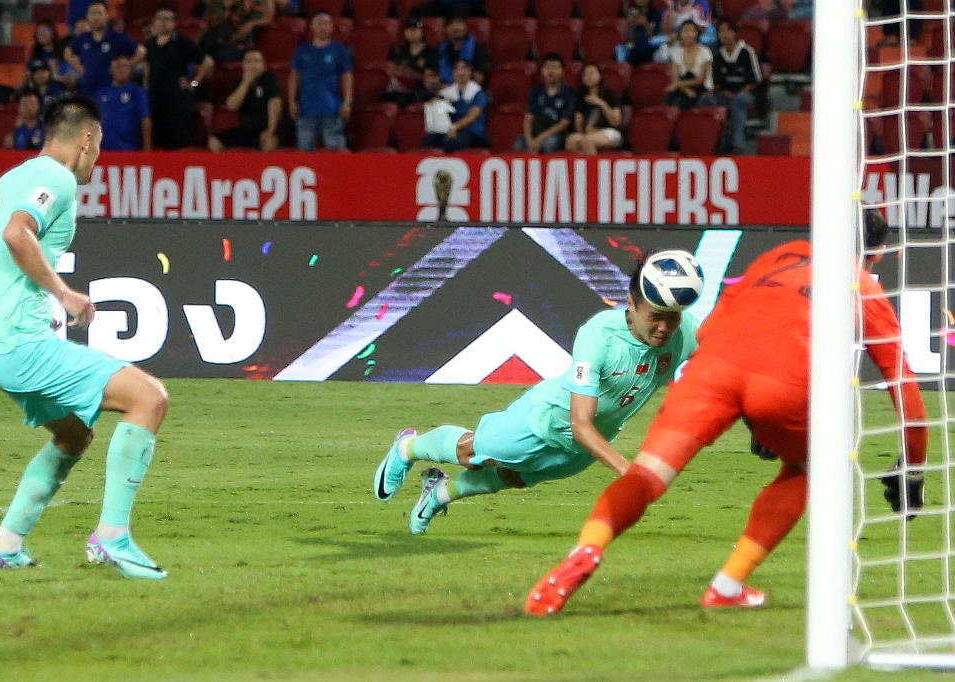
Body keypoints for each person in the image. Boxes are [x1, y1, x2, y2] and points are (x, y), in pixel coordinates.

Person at [524, 209, 928, 616]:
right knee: (806, 469)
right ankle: (727, 585)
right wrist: (912, 467)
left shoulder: (782, 254)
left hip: (711, 370)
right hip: (782, 383)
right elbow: (904, 385)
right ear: (877, 254)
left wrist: (746, 410)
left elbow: (707, 330)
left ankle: (587, 547)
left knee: (647, 473)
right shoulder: (862, 287)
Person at [0, 94, 171, 580]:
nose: (99, 157)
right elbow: (17, 234)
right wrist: (63, 294)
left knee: (73, 434)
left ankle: (4, 546)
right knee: (149, 399)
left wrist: (4, 308)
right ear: (86, 139)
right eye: (100, 145)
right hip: (20, 346)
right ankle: (112, 537)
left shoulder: (2, 184)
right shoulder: (56, 178)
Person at [372, 251, 702, 536]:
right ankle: (407, 447)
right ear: (631, 303)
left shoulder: (686, 332)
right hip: (545, 420)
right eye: (655, 317)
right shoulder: (599, 336)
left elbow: (724, 358)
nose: (664, 328)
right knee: (474, 453)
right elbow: (580, 422)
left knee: (512, 478)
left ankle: (437, 494)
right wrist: (627, 469)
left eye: (672, 318)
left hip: (590, 444)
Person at [146, 5, 214, 150]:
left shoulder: (182, 42)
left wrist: (194, 83)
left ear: (174, 23)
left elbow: (207, 62)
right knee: (159, 141)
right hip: (156, 99)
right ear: (155, 22)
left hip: (177, 99)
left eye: (167, 19)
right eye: (160, 19)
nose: (163, 23)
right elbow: (147, 67)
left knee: (180, 140)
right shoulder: (150, 43)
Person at [288, 13, 352, 152]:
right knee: (305, 154)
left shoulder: (339, 50)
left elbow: (346, 77)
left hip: (332, 110)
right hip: (306, 110)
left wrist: (347, 102)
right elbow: (294, 77)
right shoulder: (302, 51)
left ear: (332, 27)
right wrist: (292, 101)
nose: (323, 27)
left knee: (335, 153)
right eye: (319, 23)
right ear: (312, 27)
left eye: (327, 23)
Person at [701, 19, 762, 154]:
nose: (724, 34)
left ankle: (737, 145)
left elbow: (756, 80)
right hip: (725, 94)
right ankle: (710, 144)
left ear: (734, 33)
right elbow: (716, 83)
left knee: (738, 101)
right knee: (704, 100)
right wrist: (724, 92)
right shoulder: (718, 55)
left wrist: (737, 93)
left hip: (746, 93)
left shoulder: (747, 52)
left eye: (727, 31)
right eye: (721, 31)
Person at [65, 1, 145, 96]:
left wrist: (125, 67)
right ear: (88, 16)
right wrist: (80, 68)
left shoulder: (116, 37)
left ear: (106, 16)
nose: (96, 17)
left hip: (111, 91)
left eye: (99, 13)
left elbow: (141, 52)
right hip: (88, 90)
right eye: (92, 13)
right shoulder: (83, 38)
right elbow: (67, 52)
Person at [208, 48, 281, 151]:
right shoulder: (239, 82)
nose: (252, 65)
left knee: (269, 143)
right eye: (248, 61)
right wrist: (245, 83)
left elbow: (275, 103)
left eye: (256, 61)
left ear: (263, 65)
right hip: (245, 128)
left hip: (265, 127)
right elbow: (232, 106)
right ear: (243, 65)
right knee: (213, 141)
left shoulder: (270, 79)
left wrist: (271, 130)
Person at [419, 59, 487, 153]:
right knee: (427, 142)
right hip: (450, 130)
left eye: (464, 69)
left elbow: (473, 116)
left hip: (472, 131)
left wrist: (455, 127)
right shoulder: (447, 93)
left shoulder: (477, 92)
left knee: (451, 143)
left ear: (470, 71)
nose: (460, 73)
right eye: (457, 70)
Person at [514, 53, 576, 154]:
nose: (551, 71)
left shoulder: (570, 93)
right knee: (518, 144)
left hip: (558, 134)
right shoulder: (536, 91)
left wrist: (540, 139)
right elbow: (528, 118)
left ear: (563, 71)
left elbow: (564, 123)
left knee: (549, 143)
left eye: (555, 67)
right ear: (542, 71)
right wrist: (529, 139)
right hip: (536, 131)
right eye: (547, 67)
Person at [96, 55, 152, 150]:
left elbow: (145, 120)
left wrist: (147, 148)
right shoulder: (101, 93)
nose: (121, 70)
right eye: (117, 66)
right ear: (111, 69)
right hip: (105, 150)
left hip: (129, 149)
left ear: (130, 69)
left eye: (124, 66)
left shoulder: (137, 91)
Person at [565, 62, 623, 155]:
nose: (588, 76)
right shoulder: (582, 97)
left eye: (591, 73)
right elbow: (578, 124)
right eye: (585, 74)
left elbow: (616, 122)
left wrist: (602, 104)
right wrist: (584, 130)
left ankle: (592, 164)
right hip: (588, 132)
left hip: (609, 131)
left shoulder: (610, 94)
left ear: (600, 75)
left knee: (588, 140)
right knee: (571, 140)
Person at [384, 18, 438, 107]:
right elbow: (394, 70)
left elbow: (430, 78)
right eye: (409, 30)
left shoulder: (430, 52)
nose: (412, 32)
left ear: (422, 32)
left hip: (420, 89)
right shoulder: (400, 51)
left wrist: (411, 74)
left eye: (415, 29)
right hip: (400, 88)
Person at [198, 0, 271, 63]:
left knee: (217, 54)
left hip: (241, 45)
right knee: (204, 46)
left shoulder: (257, 8)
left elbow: (268, 18)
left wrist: (251, 24)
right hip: (223, 40)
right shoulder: (234, 5)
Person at [664, 20, 712, 110]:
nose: (689, 34)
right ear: (680, 34)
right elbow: (675, 79)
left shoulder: (705, 51)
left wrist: (678, 85)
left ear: (697, 33)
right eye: (685, 31)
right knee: (669, 99)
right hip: (682, 89)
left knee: (679, 101)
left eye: (692, 31)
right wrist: (685, 89)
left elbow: (700, 80)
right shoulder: (676, 52)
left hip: (701, 89)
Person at [437, 15, 489, 85]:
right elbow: (435, 76)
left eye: (459, 23)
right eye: (451, 24)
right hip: (445, 88)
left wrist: (455, 89)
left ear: (466, 26)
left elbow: (479, 79)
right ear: (445, 29)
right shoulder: (441, 49)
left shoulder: (479, 49)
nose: (455, 27)